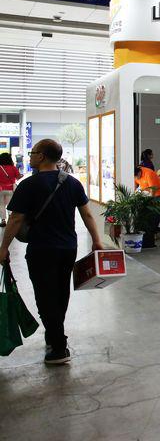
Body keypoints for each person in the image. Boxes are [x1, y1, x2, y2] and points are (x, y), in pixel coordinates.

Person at [0, 139, 103, 364]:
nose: (30, 156)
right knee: (60, 293)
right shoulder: (73, 183)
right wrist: (97, 240)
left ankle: (58, 348)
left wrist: (4, 247)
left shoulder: (28, 185)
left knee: (45, 298)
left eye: (33, 152)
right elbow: (86, 214)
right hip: (68, 249)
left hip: (41, 250)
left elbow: (15, 219)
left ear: (42, 156)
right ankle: (54, 335)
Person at [0, 152, 21, 227]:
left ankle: (3, 220)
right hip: (10, 189)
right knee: (10, 205)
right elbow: (18, 177)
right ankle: (10, 219)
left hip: (0, 189)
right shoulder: (13, 168)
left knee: (1, 205)